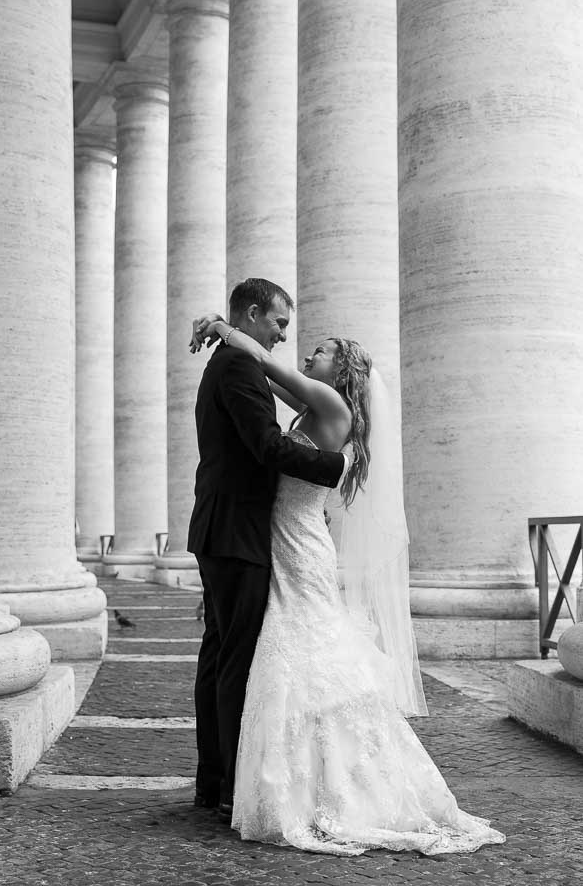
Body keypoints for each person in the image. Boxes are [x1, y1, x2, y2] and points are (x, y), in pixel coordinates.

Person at [191, 315, 506, 856]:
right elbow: (257, 388)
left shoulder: (329, 405)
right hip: (285, 539)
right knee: (289, 650)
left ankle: (314, 781)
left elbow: (264, 364)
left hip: (299, 543)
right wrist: (232, 362)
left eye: (321, 350)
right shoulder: (315, 409)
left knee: (301, 650)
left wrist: (223, 326)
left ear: (342, 370)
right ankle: (288, 775)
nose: (308, 352)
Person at [187, 278, 351, 824]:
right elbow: (266, 445)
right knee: (234, 659)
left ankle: (216, 781)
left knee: (224, 656)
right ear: (255, 314)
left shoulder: (250, 366)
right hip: (240, 534)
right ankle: (231, 785)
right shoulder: (238, 366)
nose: (287, 336)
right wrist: (336, 468)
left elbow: (276, 381)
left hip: (255, 534)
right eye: (280, 323)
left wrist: (222, 327)